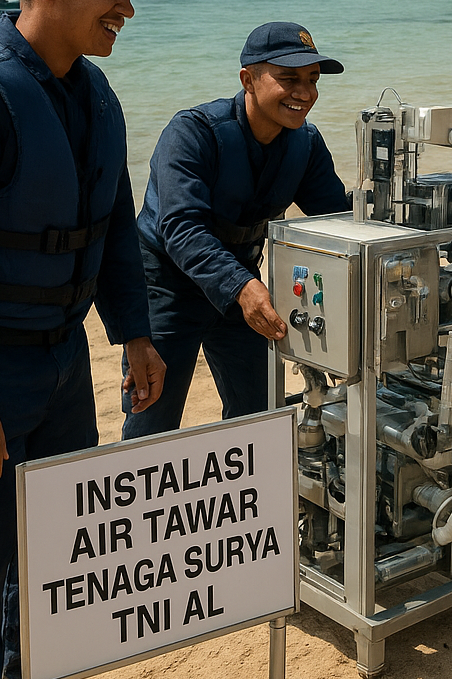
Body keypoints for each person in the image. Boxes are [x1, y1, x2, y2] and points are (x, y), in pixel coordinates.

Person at [0, 0, 176, 679]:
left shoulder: (96, 96)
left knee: (56, 555)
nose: (127, 7)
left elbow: (115, 229)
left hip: (62, 367)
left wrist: (136, 336)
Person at [121, 22, 349, 439]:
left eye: (313, 81)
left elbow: (337, 220)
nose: (305, 93)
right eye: (289, 78)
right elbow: (181, 228)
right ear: (248, 79)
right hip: (167, 284)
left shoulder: (305, 144)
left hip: (242, 279)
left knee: (259, 412)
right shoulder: (192, 133)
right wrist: (243, 287)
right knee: (152, 416)